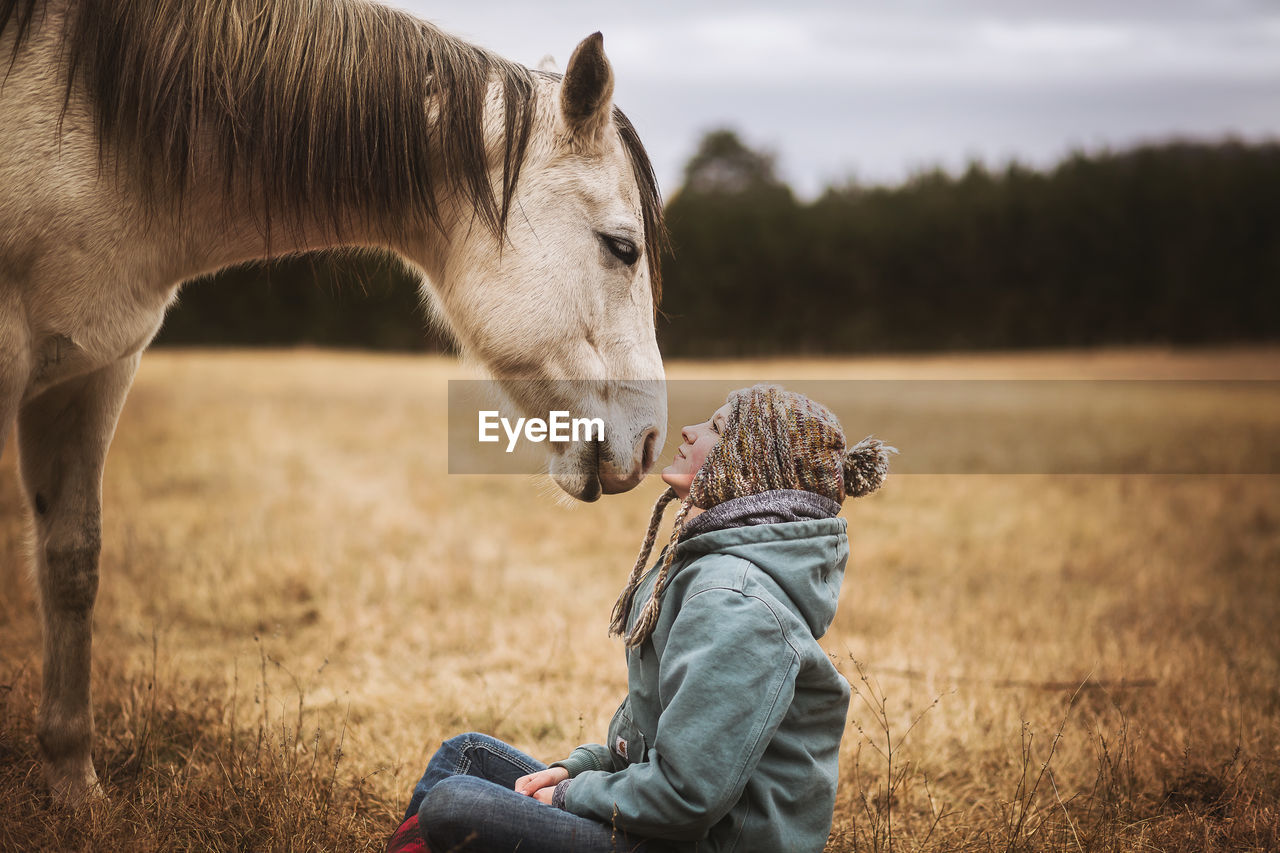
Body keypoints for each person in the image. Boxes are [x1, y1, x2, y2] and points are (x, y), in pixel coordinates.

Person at [386, 383, 895, 853]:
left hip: (691, 842)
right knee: (465, 755)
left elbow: (685, 798)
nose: (689, 430)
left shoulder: (736, 603)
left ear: (749, 466)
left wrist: (569, 795)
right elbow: (653, 746)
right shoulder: (704, 570)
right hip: (666, 826)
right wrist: (577, 767)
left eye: (716, 429)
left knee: (454, 804)